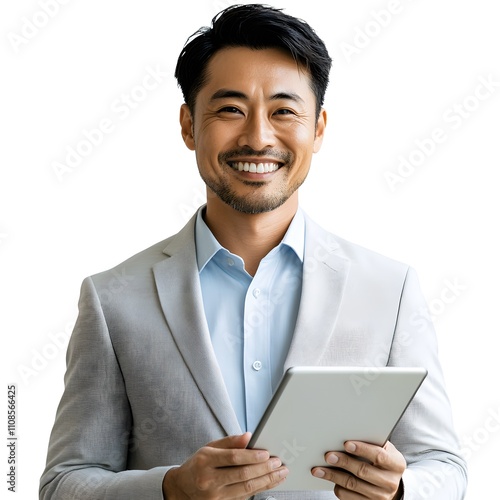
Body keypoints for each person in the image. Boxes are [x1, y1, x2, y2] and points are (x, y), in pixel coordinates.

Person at [40, 4, 467, 499]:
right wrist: (171, 489)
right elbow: (63, 484)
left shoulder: (389, 290)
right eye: (230, 109)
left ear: (319, 128)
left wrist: (401, 490)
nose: (258, 137)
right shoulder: (113, 299)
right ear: (188, 125)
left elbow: (445, 466)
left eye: (284, 111)